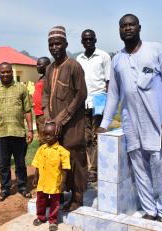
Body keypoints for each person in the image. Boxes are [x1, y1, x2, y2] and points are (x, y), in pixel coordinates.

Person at [97, 14, 162, 223]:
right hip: (130, 120)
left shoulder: (156, 49)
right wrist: (105, 123)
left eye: (131, 24)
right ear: (119, 31)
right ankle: (149, 209)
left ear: (139, 27)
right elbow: (114, 94)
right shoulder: (117, 60)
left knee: (158, 165)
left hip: (155, 119)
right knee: (139, 166)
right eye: (123, 26)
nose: (128, 28)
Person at [42, 26, 87, 211]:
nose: (54, 47)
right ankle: (59, 194)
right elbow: (45, 94)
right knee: (56, 160)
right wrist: (47, 116)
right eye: (51, 44)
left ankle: (78, 197)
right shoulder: (49, 68)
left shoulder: (74, 66)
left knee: (74, 158)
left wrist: (61, 118)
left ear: (66, 44)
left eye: (58, 44)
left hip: (72, 124)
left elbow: (81, 94)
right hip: (54, 125)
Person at [0, 62, 33, 202]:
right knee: (3, 163)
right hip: (1, 133)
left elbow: (27, 110)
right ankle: (5, 188)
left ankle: (22, 186)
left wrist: (30, 130)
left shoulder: (21, 88)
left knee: (20, 162)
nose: (5, 74)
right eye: (2, 72)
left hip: (18, 132)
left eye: (8, 72)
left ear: (12, 72)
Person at [76, 29, 111, 183]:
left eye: (91, 39)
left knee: (98, 135)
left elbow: (109, 81)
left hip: (99, 98)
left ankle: (95, 169)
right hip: (84, 100)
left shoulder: (103, 56)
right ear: (82, 42)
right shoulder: (79, 58)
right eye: (85, 39)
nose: (88, 41)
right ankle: (91, 165)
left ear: (95, 40)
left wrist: (109, 102)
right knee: (86, 137)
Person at [32, 122, 70, 231]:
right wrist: (35, 177)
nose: (47, 137)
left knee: (55, 203)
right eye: (45, 134)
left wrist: (63, 183)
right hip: (42, 182)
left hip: (55, 182)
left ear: (57, 136)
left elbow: (65, 168)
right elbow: (38, 165)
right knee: (40, 200)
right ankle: (41, 217)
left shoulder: (62, 152)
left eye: (50, 135)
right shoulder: (41, 149)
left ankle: (53, 221)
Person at [33, 57, 51, 145]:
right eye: (37, 64)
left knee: (45, 139)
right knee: (41, 138)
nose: (37, 66)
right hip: (38, 113)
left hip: (44, 113)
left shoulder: (49, 79)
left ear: (48, 66)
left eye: (40, 64)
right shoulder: (41, 78)